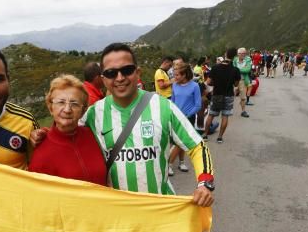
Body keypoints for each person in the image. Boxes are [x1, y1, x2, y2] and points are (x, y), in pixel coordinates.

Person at [87, 44, 214, 205]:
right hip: (117, 215)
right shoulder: (93, 115)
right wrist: (44, 136)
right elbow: (64, 143)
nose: (119, 78)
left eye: (127, 70)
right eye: (111, 73)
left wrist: (205, 183)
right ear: (103, 78)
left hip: (159, 211)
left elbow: (197, 146)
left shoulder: (163, 107)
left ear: (138, 72)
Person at [29, 75, 106, 185]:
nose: (67, 109)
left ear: (83, 110)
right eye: (61, 102)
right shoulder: (41, 155)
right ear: (51, 108)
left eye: (74, 104)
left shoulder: (93, 135)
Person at [168, 63, 202, 175]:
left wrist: (186, 115)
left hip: (188, 118)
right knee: (178, 142)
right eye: (174, 75)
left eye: (177, 75)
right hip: (174, 117)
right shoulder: (174, 85)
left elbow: (198, 105)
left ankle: (169, 164)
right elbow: (172, 101)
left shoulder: (194, 86)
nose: (174, 77)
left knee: (180, 142)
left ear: (185, 75)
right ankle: (181, 162)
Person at [202, 47, 241, 143]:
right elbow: (236, 84)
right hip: (228, 95)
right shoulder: (235, 69)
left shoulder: (215, 67)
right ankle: (219, 137)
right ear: (234, 56)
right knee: (225, 116)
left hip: (216, 95)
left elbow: (208, 82)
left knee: (211, 115)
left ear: (225, 54)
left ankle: (205, 135)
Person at [233, 47, 252, 116]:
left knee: (243, 97)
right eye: (240, 53)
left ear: (245, 54)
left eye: (243, 53)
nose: (241, 55)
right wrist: (241, 69)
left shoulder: (248, 59)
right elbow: (233, 68)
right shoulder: (235, 60)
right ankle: (228, 109)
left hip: (243, 80)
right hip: (234, 80)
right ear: (237, 54)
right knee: (232, 95)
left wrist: (237, 70)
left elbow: (247, 69)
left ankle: (243, 111)